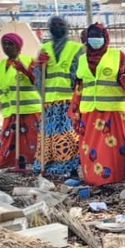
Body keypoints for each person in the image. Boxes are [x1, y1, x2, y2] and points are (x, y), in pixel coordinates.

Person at [70, 23, 125, 187]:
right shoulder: (82, 59)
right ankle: (94, 179)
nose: (95, 39)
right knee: (91, 147)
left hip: (113, 112)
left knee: (113, 149)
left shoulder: (117, 55)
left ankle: (117, 179)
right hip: (89, 113)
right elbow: (79, 87)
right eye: (92, 36)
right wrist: (75, 113)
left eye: (98, 36)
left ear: (105, 37)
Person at [32, 16, 82, 178]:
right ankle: (50, 166)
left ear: (66, 27)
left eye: (61, 24)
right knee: (49, 136)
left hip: (69, 100)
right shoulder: (44, 48)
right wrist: (40, 67)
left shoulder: (76, 48)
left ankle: (71, 166)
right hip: (49, 101)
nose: (57, 27)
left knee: (68, 135)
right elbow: (37, 77)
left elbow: (80, 74)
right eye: (54, 25)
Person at [0, 33, 41, 170]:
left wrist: (24, 70)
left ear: (18, 47)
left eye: (10, 44)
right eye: (4, 44)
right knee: (6, 148)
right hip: (11, 114)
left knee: (33, 145)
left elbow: (39, 81)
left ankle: (34, 168)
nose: (7, 47)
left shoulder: (29, 61)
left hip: (29, 112)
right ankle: (8, 167)